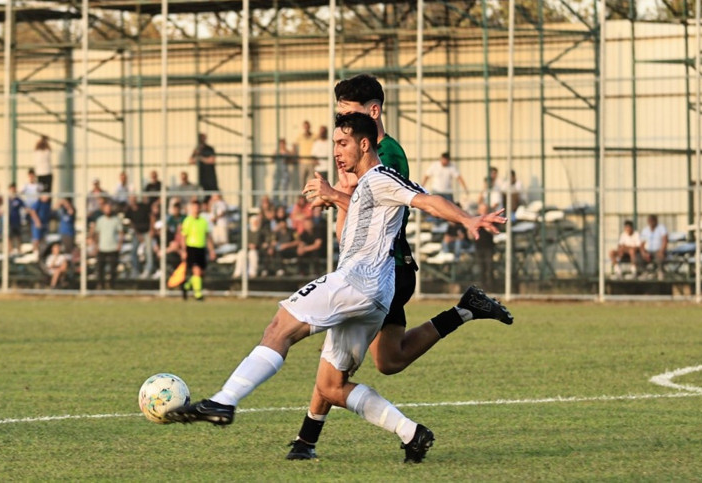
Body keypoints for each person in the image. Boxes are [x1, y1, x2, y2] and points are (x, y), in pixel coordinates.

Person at [165, 113, 510, 465]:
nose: (336, 151)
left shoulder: (380, 177)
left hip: (357, 281)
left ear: (364, 143)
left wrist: (468, 218)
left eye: (342, 143)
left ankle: (225, 400)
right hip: (374, 296)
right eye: (333, 144)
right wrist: (334, 197)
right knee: (331, 385)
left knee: (279, 327)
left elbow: (426, 200)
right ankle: (411, 433)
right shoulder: (365, 188)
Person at [286, 75, 512, 461]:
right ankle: (465, 310)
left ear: (372, 114)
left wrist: (333, 195)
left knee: (333, 365)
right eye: (339, 117)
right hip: (370, 269)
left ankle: (310, 441)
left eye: (349, 116)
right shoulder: (355, 147)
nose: (343, 125)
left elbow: (379, 204)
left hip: (378, 271)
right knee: (388, 360)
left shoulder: (385, 154)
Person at [179, 199, 216, 300]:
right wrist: (183, 250)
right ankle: (198, 294)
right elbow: (183, 237)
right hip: (191, 248)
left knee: (201, 273)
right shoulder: (188, 221)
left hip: (201, 248)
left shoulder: (203, 221)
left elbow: (207, 237)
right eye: (194, 207)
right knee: (196, 271)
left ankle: (186, 286)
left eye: (197, 207)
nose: (196, 209)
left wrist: (212, 250)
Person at [92, 202, 123, 290]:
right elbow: (97, 233)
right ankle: (101, 285)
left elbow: (121, 233)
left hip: (113, 247)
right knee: (100, 268)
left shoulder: (116, 220)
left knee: (113, 268)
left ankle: (111, 285)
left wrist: (119, 244)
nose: (108, 210)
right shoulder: (100, 220)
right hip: (102, 247)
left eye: (109, 208)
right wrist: (96, 245)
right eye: (106, 208)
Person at [125, 195, 153, 278]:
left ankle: (148, 270)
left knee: (148, 252)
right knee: (133, 251)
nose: (132, 201)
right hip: (137, 233)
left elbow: (151, 217)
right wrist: (138, 234)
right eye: (131, 199)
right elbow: (130, 223)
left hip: (147, 232)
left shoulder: (143, 207)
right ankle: (136, 270)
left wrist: (152, 229)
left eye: (134, 199)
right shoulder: (129, 210)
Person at [639, 214, 668, 279]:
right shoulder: (645, 230)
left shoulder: (661, 228)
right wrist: (643, 253)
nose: (651, 222)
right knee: (638, 257)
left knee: (660, 256)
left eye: (652, 220)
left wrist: (661, 251)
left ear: (656, 221)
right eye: (649, 220)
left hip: (658, 250)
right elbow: (642, 244)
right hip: (648, 251)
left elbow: (665, 240)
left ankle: (660, 272)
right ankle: (645, 272)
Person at [294, 120, 316, 193]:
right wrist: (297, 157)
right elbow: (294, 145)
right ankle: (302, 197)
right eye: (305, 126)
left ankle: (310, 197)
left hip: (311, 162)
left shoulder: (314, 136)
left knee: (311, 181)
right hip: (302, 162)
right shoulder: (300, 136)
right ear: (303, 127)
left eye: (307, 126)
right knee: (302, 181)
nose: (306, 128)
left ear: (309, 127)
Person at [273, 138, 293, 205]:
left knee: (284, 187)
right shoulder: (276, 151)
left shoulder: (287, 152)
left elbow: (291, 159)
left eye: (283, 143)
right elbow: (272, 159)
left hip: (285, 171)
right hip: (278, 171)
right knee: (276, 186)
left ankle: (284, 202)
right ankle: (275, 202)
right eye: (281, 144)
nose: (282, 145)